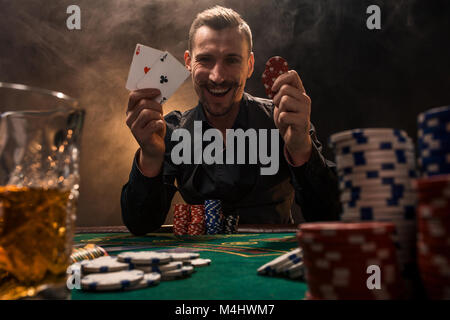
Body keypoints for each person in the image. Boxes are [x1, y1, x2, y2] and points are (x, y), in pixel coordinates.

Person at [121, 6, 340, 235]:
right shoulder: (171, 131)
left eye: (232, 60)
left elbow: (330, 216)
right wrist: (151, 157)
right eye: (205, 60)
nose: (217, 76)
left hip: (270, 262)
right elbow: (140, 223)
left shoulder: (285, 122)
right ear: (188, 62)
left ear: (249, 65)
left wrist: (301, 148)